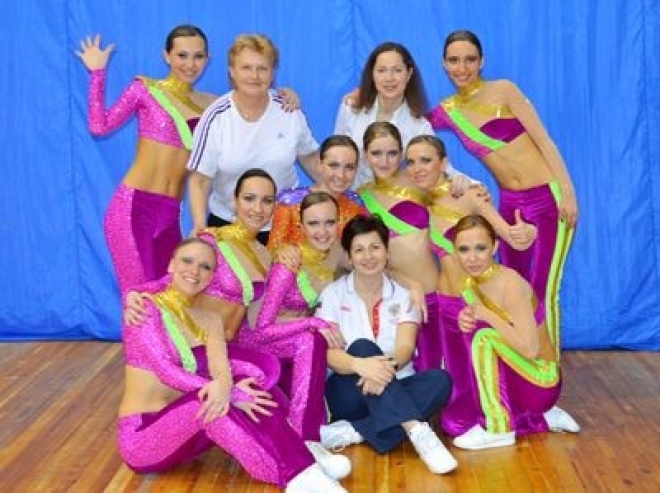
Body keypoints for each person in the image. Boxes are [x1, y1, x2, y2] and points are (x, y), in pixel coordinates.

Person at [117, 237, 347, 492]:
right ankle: (298, 476)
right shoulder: (143, 309)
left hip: (189, 436)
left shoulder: (209, 320)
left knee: (247, 388)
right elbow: (166, 371)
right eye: (187, 261)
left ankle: (304, 458)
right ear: (171, 265)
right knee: (213, 402)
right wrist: (231, 393)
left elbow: (220, 370)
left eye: (205, 266)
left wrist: (234, 388)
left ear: (211, 277)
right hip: (144, 438)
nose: (194, 271)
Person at [428, 30, 577, 349]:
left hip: (548, 199)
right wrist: (365, 95)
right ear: (444, 65)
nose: (462, 68)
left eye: (470, 59)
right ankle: (519, 369)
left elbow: (545, 141)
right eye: (454, 60)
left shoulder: (504, 90)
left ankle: (548, 369)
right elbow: (409, 124)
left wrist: (568, 192)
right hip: (510, 206)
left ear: (482, 61)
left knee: (544, 289)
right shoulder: (448, 110)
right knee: (513, 290)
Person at [75, 26, 215, 293]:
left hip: (171, 213)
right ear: (166, 56)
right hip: (134, 208)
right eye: (182, 55)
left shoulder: (211, 105)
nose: (190, 64)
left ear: (207, 59)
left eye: (198, 56)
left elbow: (251, 103)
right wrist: (97, 73)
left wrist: (288, 96)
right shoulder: (145, 90)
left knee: (171, 295)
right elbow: (99, 126)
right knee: (139, 298)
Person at [316, 215, 458, 475]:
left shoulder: (404, 296)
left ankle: (354, 431)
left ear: (386, 252)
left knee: (441, 381)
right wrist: (360, 365)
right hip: (350, 391)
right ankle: (418, 431)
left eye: (375, 247)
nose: (368, 256)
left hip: (394, 382)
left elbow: (405, 348)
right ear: (349, 257)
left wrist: (382, 371)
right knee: (362, 347)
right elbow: (327, 354)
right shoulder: (333, 294)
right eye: (359, 250)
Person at [436, 214, 580, 450]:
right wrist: (466, 319)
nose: (472, 258)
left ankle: (499, 428)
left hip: (542, 380)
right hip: (518, 381)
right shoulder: (469, 283)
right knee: (455, 418)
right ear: (455, 252)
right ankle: (539, 416)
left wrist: (486, 315)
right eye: (464, 250)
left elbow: (530, 350)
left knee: (484, 338)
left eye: (480, 248)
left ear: (494, 247)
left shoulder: (510, 283)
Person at [404, 134, 537, 371]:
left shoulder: (469, 195)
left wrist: (530, 231)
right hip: (443, 302)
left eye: (425, 160)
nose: (417, 169)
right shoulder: (421, 203)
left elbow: (512, 237)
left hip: (471, 303)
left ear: (444, 163)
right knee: (448, 376)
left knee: (478, 377)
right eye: (411, 162)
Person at [187, 33, 320, 245]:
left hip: (285, 226)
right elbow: (199, 180)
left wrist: (337, 192)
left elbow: (311, 158)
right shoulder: (216, 117)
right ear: (232, 71)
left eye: (262, 68)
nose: (254, 76)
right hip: (228, 226)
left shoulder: (288, 110)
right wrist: (199, 226)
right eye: (246, 68)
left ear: (272, 73)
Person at [267, 135, 366, 251]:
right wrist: (284, 253)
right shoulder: (291, 203)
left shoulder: (356, 204)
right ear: (320, 164)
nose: (341, 175)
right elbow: (273, 251)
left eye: (349, 167)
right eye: (334, 166)